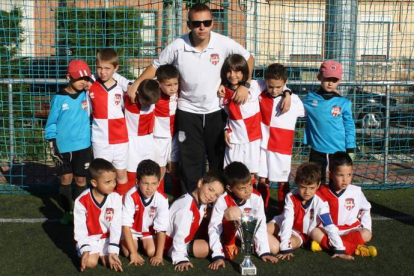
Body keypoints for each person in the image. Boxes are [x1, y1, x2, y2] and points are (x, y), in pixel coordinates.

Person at [127, 3, 255, 194]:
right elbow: (155, 66)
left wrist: (245, 84)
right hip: (187, 113)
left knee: (217, 161)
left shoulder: (222, 42)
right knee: (190, 165)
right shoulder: (178, 45)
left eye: (206, 22)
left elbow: (248, 58)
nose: (202, 27)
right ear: (189, 25)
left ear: (212, 23)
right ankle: (191, 208)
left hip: (215, 112)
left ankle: (217, 206)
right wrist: (136, 84)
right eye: (196, 23)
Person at [267, 162, 353, 260]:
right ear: (297, 183)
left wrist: (340, 249)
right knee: (264, 229)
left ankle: (260, 242)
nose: (307, 192)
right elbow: (287, 221)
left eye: (311, 188)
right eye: (303, 187)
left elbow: (329, 225)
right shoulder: (290, 197)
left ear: (318, 184)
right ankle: (257, 238)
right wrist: (284, 246)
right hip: (281, 223)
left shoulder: (321, 202)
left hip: (299, 234)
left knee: (280, 247)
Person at [45, 59, 92, 225]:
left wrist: (90, 84)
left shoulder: (87, 94)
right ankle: (67, 211)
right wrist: (51, 141)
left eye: (86, 78)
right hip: (64, 147)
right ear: (68, 77)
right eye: (79, 78)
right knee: (66, 179)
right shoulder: (59, 98)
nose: (83, 82)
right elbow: (51, 123)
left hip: (83, 146)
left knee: (81, 180)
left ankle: (81, 213)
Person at [208, 162, 278, 270]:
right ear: (230, 188)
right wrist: (217, 254)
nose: (248, 190)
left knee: (274, 248)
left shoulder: (256, 197)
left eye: (249, 185)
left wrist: (264, 251)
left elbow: (260, 223)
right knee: (234, 212)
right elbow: (214, 227)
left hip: (247, 230)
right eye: (241, 188)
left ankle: (245, 244)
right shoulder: (222, 199)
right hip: (228, 230)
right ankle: (228, 243)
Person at [256, 63, 304, 213]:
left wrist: (288, 94)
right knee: (262, 180)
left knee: (283, 181)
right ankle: (262, 211)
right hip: (262, 145)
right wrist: (286, 92)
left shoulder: (294, 101)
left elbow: (310, 113)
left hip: (282, 147)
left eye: (278, 87)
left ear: (285, 82)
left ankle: (284, 212)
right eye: (271, 86)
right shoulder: (260, 95)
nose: (274, 90)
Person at [311, 152, 377, 257]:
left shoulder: (356, 191)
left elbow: (366, 209)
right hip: (329, 230)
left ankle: (327, 245)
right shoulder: (321, 192)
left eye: (349, 175)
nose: (345, 179)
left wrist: (366, 226)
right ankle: (355, 249)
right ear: (330, 174)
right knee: (314, 232)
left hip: (350, 229)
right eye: (340, 175)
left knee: (367, 234)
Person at [302, 60, 356, 184]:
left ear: (339, 81)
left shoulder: (344, 103)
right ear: (319, 77)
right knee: (315, 182)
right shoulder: (310, 100)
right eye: (327, 79)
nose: (330, 83)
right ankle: (317, 203)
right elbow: (294, 105)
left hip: (338, 150)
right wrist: (287, 94)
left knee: (337, 183)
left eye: (334, 79)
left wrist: (351, 148)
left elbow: (349, 126)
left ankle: (334, 203)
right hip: (317, 150)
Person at [164, 170, 225, 272]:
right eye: (210, 190)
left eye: (216, 195)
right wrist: (180, 259)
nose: (211, 196)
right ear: (200, 183)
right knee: (207, 248)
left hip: (182, 241)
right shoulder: (186, 208)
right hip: (170, 244)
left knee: (212, 246)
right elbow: (179, 236)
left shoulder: (199, 201)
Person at [88, 48, 129, 195]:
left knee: (120, 174)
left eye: (107, 68)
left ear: (115, 68)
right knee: (101, 176)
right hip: (101, 140)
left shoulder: (122, 87)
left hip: (120, 139)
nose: (103, 72)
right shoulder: (90, 86)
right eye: (99, 67)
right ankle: (102, 208)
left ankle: (122, 208)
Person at [219, 54, 263, 186]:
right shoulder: (222, 91)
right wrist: (226, 129)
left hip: (252, 139)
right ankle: (229, 202)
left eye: (237, 71)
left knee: (250, 174)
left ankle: (252, 204)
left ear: (244, 72)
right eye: (229, 71)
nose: (233, 75)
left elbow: (277, 84)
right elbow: (226, 115)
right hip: (234, 139)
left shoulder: (255, 85)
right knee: (231, 173)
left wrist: (287, 94)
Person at [73, 158, 123, 272]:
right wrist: (85, 249)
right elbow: (80, 229)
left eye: (114, 180)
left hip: (107, 238)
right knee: (91, 263)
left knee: (110, 262)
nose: (113, 185)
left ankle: (103, 254)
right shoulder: (81, 201)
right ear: (94, 183)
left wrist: (113, 250)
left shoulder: (116, 197)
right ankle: (95, 254)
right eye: (107, 182)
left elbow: (116, 225)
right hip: (90, 238)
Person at [122, 159, 169, 266]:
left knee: (152, 252)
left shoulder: (162, 199)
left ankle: (142, 243)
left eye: (154, 183)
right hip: (132, 230)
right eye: (145, 183)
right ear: (137, 182)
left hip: (148, 232)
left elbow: (162, 228)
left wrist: (159, 256)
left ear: (159, 182)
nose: (149, 188)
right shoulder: (130, 195)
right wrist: (133, 253)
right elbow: (125, 225)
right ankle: (132, 245)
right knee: (128, 252)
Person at [124, 79, 160, 191]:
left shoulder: (151, 96)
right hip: (132, 140)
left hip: (148, 139)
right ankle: (129, 200)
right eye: (145, 102)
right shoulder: (129, 99)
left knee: (150, 171)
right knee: (131, 172)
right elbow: (120, 79)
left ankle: (149, 202)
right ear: (138, 93)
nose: (148, 105)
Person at [153, 65, 180, 197]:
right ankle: (159, 199)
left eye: (175, 84)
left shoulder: (179, 93)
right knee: (160, 169)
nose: (173, 88)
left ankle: (176, 199)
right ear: (159, 84)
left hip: (174, 136)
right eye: (168, 85)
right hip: (159, 137)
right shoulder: (154, 95)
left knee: (174, 168)